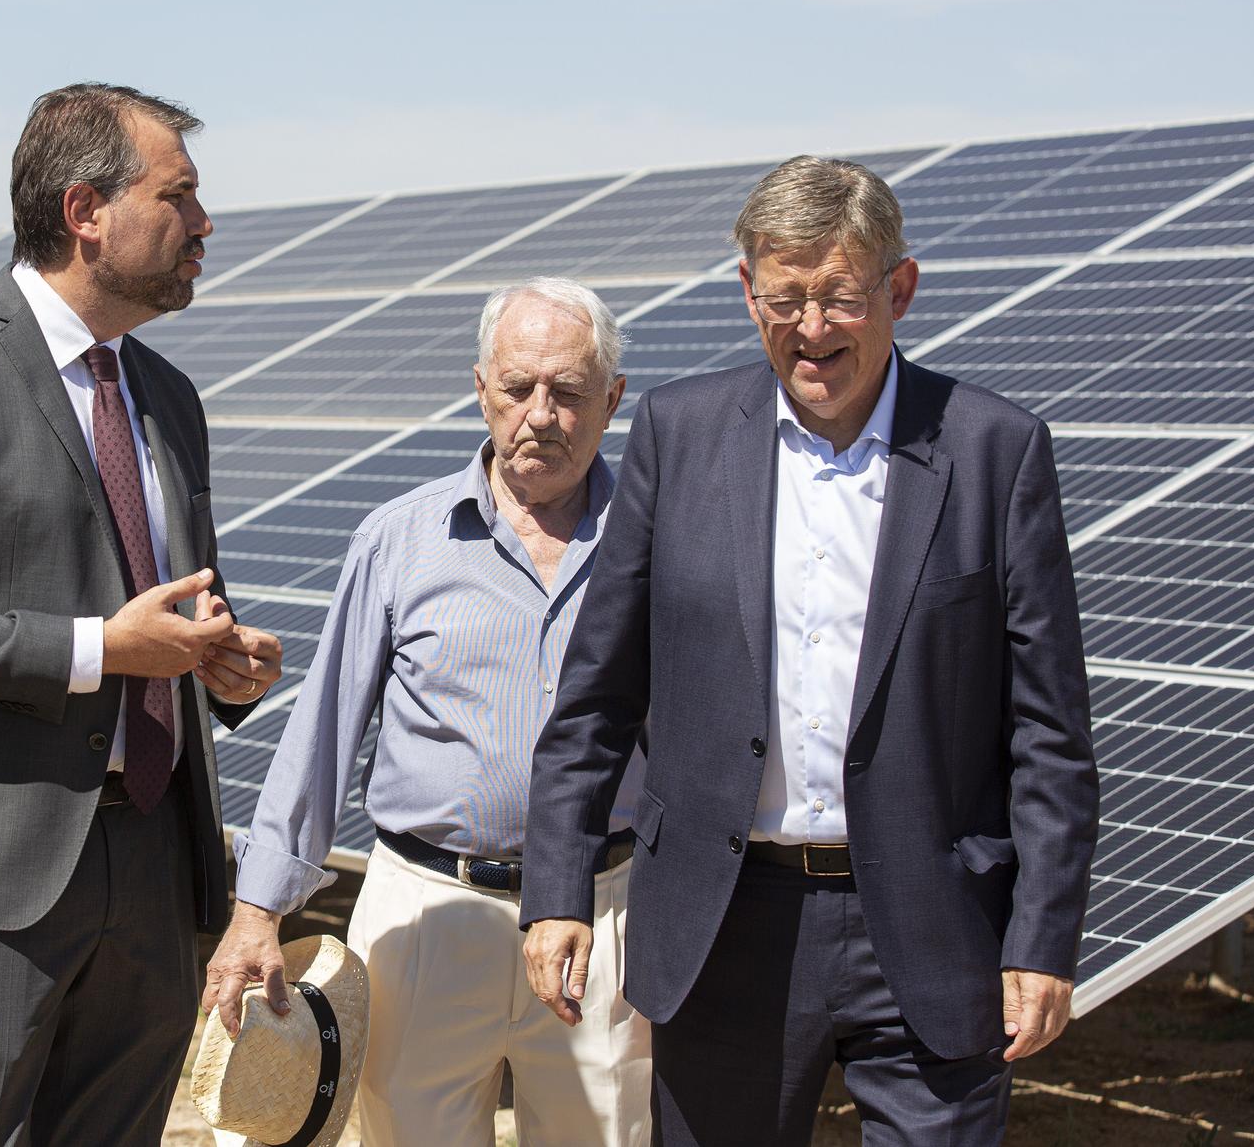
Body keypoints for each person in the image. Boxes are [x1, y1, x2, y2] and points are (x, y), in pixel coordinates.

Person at [519, 156, 1099, 1145]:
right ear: (746, 290)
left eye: (839, 298)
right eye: (784, 300)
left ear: (897, 291)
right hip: (724, 921)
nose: (812, 328)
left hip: (930, 918)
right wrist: (557, 888)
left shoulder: (993, 448)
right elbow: (598, 690)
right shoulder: (676, 433)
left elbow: (1046, 730)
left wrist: (1041, 936)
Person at [0, 82, 282, 1146]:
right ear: (85, 211)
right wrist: (100, 650)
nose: (204, 225)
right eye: (180, 196)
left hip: (155, 862)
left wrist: (219, 658)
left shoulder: (166, 394)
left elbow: (172, 595)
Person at [206, 277, 651, 1147]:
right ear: (481, 387)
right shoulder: (401, 538)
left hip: (607, 913)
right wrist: (258, 911)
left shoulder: (658, 537)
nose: (540, 414)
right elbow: (324, 731)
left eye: (567, 391)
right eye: (519, 387)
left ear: (613, 399)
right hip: (426, 912)